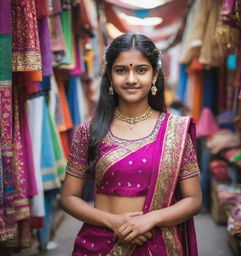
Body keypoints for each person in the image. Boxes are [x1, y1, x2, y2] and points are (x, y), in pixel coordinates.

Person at [61, 33, 202, 256]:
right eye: (121, 70)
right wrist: (113, 222)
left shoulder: (175, 131)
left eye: (141, 70)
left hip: (159, 244)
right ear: (109, 74)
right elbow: (68, 198)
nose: (131, 79)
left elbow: (193, 200)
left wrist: (149, 220)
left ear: (155, 75)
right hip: (100, 243)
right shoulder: (89, 130)